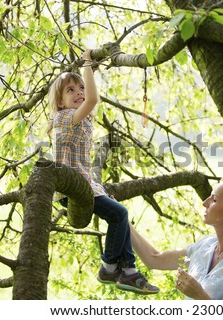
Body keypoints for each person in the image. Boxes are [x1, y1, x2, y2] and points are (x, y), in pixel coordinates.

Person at [48, 49, 159, 295]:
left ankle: (128, 271)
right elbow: (93, 100)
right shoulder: (64, 118)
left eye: (81, 88)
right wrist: (86, 64)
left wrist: (92, 70)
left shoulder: (81, 118)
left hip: (86, 184)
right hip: (73, 188)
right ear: (59, 102)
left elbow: (91, 97)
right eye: (70, 90)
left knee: (120, 218)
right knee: (119, 214)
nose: (79, 93)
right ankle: (109, 266)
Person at [130, 177, 223, 299]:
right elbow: (155, 259)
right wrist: (119, 215)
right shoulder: (206, 245)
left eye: (214, 200)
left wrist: (199, 295)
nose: (205, 203)